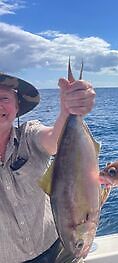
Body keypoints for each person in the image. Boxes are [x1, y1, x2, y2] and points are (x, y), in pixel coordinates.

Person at [0, 72, 95, 262]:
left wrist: (68, 109)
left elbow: (54, 140)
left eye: (4, 98)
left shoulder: (29, 135)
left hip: (59, 247)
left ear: (17, 106)